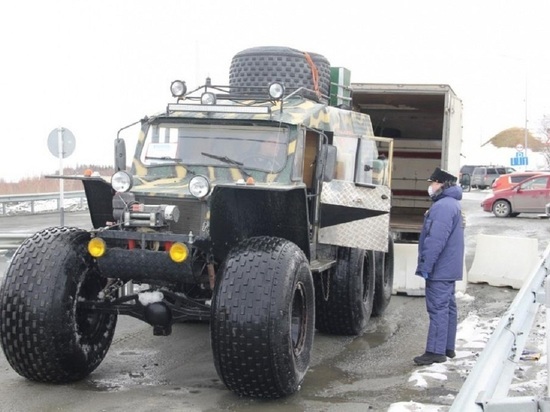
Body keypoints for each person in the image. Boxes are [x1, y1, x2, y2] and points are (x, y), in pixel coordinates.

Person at [413, 167, 465, 366]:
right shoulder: (452, 204)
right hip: (449, 267)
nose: (431, 186)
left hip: (441, 268)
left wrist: (427, 265)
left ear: (442, 184)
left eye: (433, 182)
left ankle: (435, 351)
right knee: (448, 307)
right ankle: (446, 347)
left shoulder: (443, 207)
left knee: (438, 308)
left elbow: (435, 240)